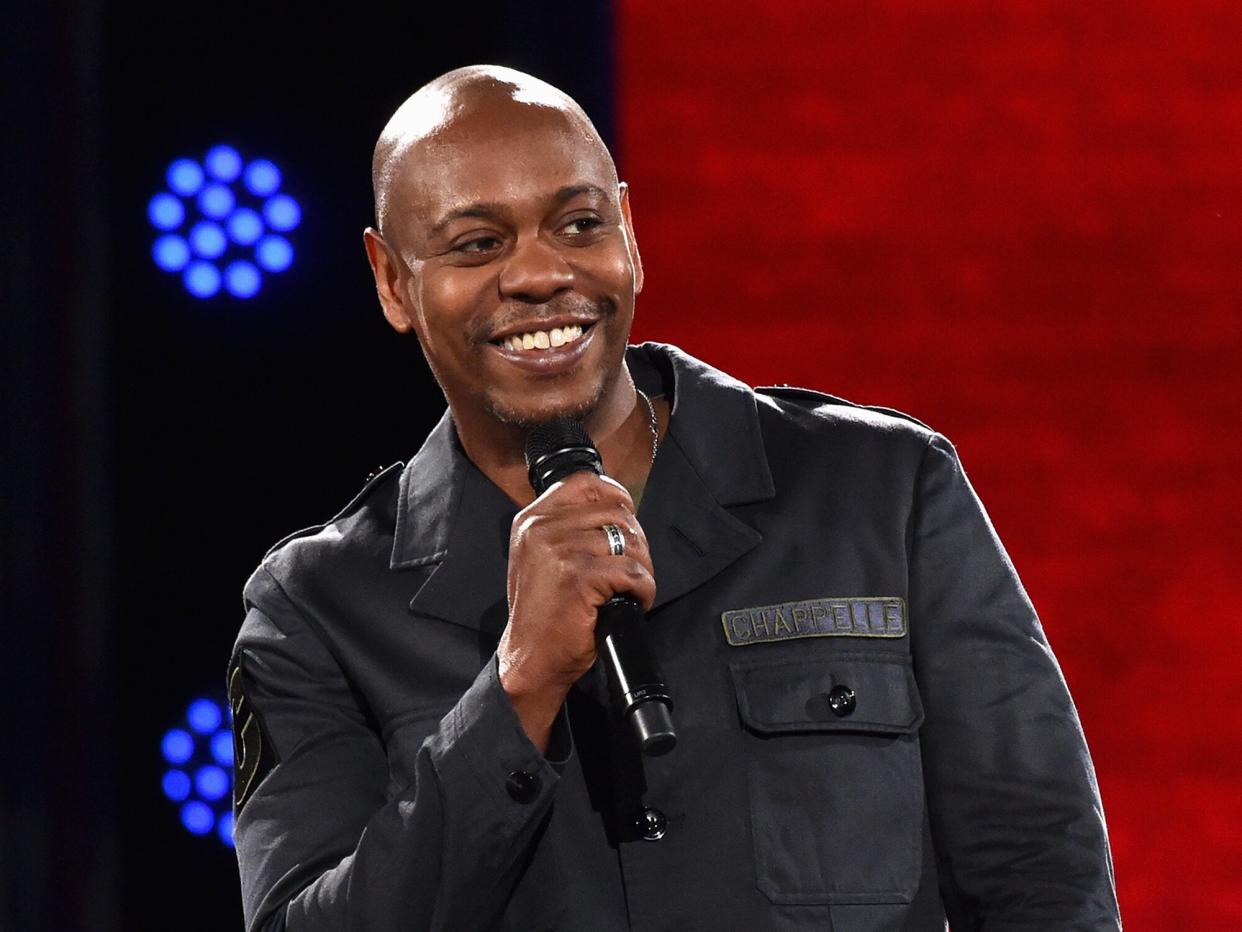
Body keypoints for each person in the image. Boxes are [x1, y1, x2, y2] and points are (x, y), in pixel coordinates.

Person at [229, 65, 1121, 931]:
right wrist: (519, 687)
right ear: (393, 281)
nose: (540, 274)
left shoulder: (884, 492)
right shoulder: (315, 610)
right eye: (477, 243)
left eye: (579, 224)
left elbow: (1043, 879)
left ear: (629, 230)